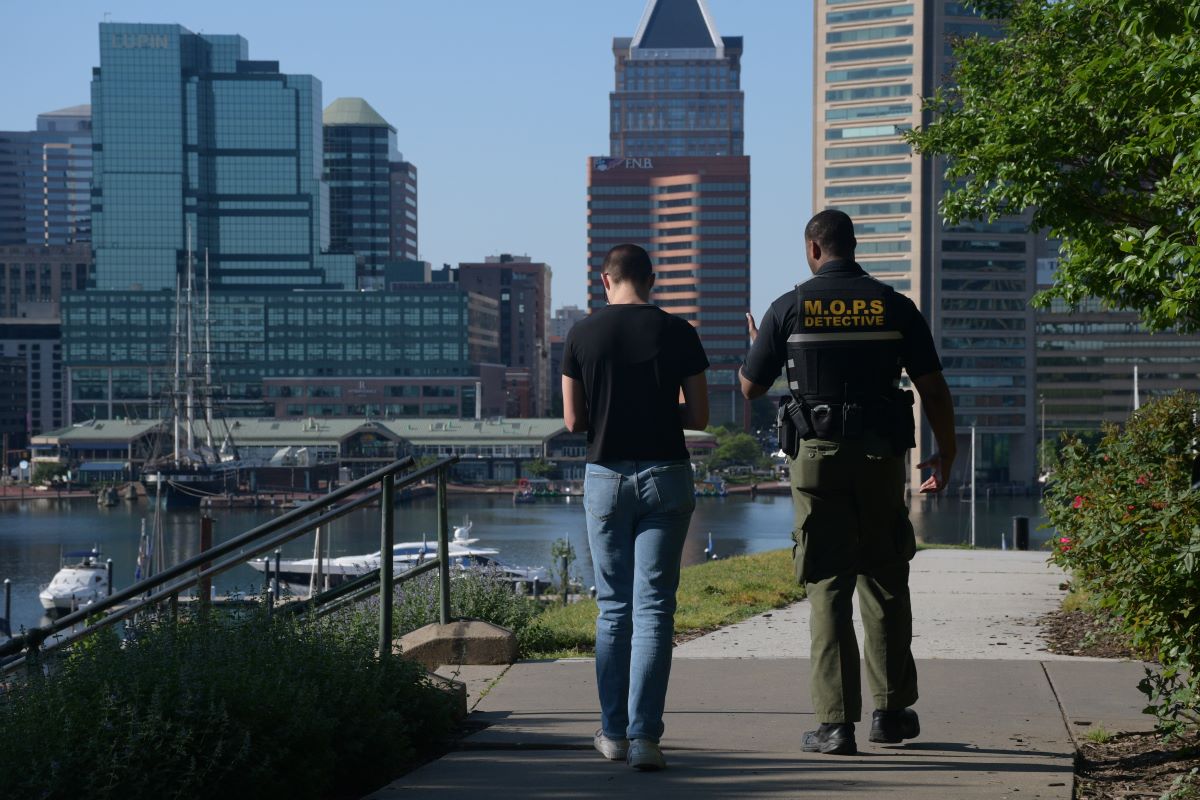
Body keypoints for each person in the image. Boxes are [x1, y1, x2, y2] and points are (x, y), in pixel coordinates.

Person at [739, 209, 957, 756]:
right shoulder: (894, 306)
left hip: (815, 462)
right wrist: (946, 454)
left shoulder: (787, 308)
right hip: (882, 458)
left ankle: (836, 725)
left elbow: (749, 387)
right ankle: (892, 712)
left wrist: (760, 344)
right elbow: (932, 387)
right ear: (852, 247)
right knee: (884, 576)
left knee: (828, 583)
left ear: (814, 249)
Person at [562, 243, 710, 771]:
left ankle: (613, 734)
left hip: (605, 477)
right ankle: (647, 739)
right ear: (652, 279)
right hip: (666, 475)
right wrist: (657, 400)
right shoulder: (680, 332)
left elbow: (574, 421)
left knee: (614, 608)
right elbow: (700, 414)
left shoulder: (581, 334)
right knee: (655, 608)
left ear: (605, 282)